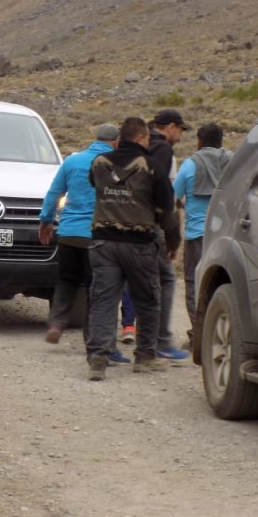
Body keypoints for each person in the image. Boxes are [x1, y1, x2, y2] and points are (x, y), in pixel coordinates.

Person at [85, 116, 180, 380]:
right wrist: (173, 242)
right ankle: (145, 357)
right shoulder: (151, 167)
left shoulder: (99, 163)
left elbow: (95, 185)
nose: (149, 142)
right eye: (147, 138)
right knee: (148, 299)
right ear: (140, 138)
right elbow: (166, 210)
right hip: (139, 244)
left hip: (103, 242)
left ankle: (97, 359)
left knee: (103, 299)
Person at [38, 123, 130, 363]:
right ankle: (94, 341)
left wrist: (46, 221)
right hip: (97, 238)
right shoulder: (115, 166)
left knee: (66, 280)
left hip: (68, 232)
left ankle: (56, 324)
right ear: (116, 142)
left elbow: (53, 193)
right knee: (96, 291)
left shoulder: (72, 161)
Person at [173, 123, 232, 349]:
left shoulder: (190, 164)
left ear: (199, 141)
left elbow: (173, 196)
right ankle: (220, 333)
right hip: (225, 236)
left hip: (197, 236)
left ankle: (198, 337)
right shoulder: (233, 161)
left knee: (193, 285)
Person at [147, 108, 192, 361]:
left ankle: (103, 345)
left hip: (121, 223)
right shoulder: (163, 149)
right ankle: (161, 341)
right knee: (165, 279)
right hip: (151, 225)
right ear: (171, 126)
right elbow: (162, 192)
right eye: (181, 130)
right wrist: (172, 235)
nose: (180, 135)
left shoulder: (139, 144)